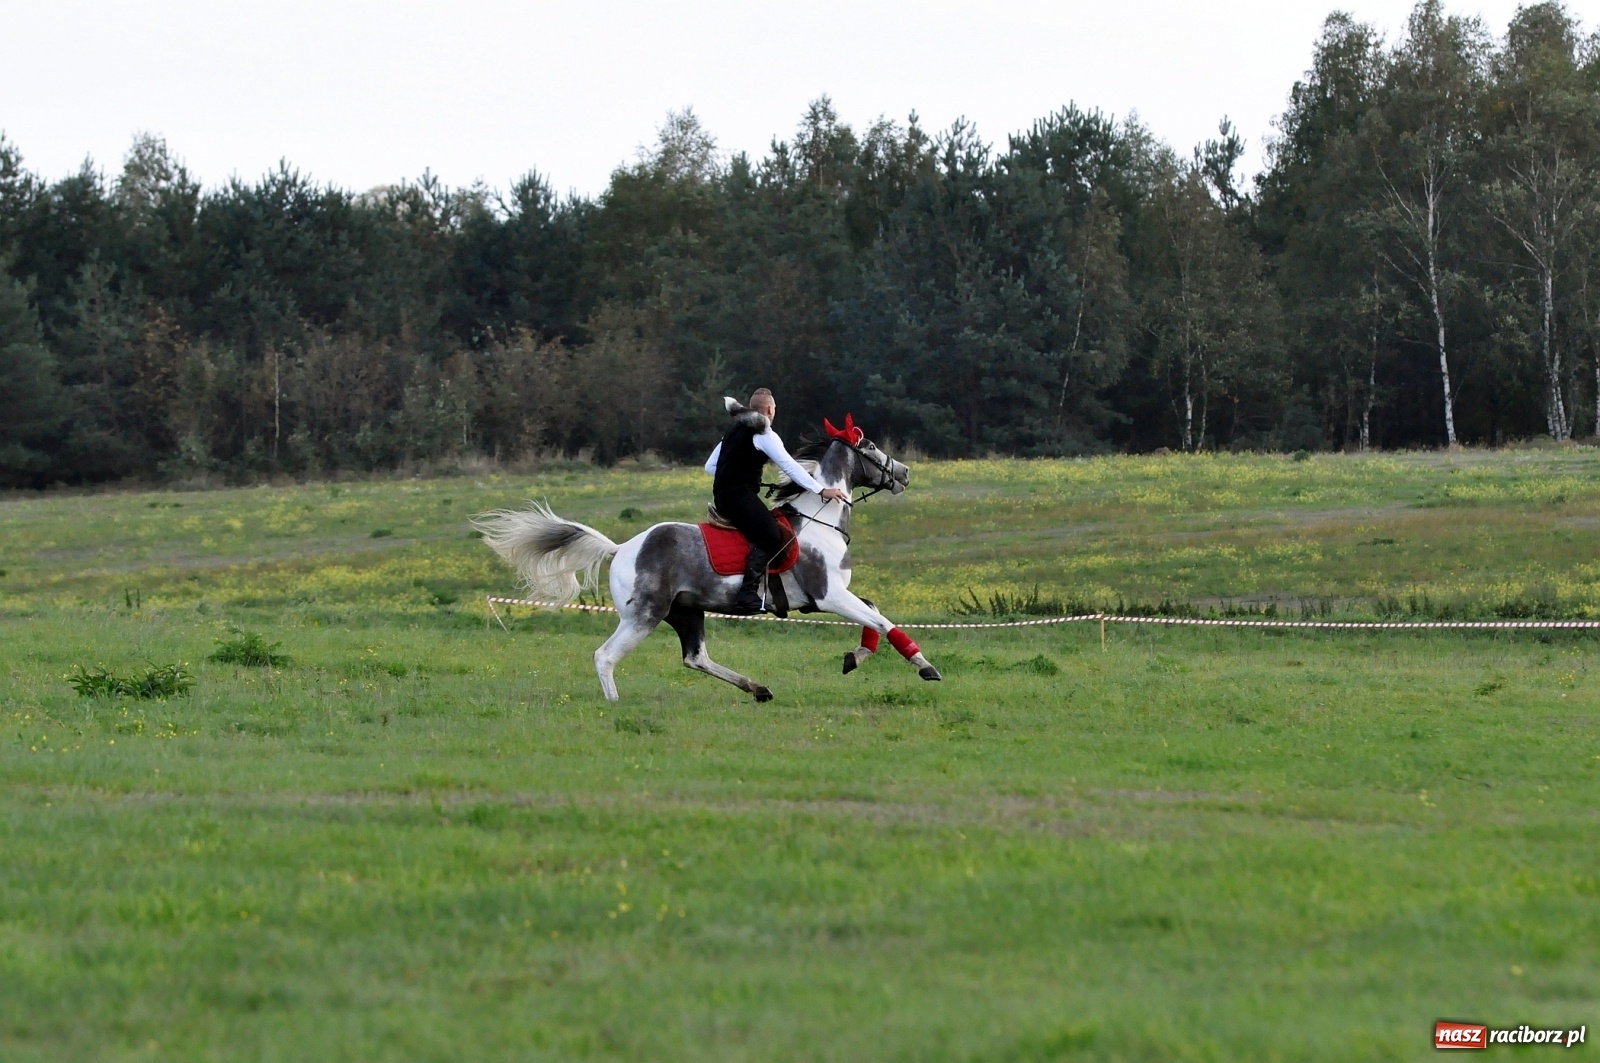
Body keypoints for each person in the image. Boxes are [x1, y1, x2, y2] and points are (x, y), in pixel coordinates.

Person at [705, 389, 849, 614]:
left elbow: (710, 467)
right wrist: (821, 490)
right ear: (771, 410)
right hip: (740, 498)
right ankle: (747, 595)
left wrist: (738, 476)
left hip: (723, 496)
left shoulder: (733, 430)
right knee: (772, 536)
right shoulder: (765, 434)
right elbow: (790, 467)